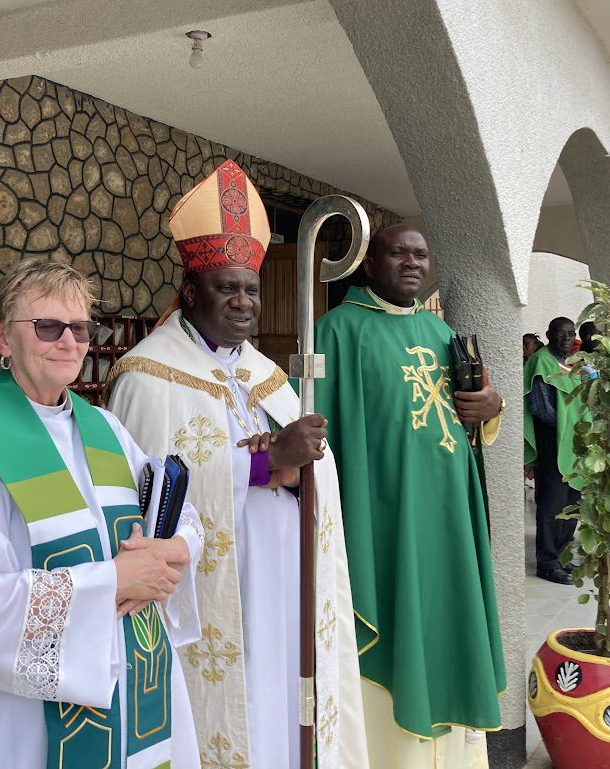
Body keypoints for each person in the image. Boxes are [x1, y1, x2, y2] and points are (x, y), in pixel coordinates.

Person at [107, 160, 367, 769]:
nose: (244, 302)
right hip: (218, 586)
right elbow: (147, 492)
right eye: (228, 288)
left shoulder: (267, 373)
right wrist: (265, 462)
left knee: (283, 692)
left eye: (251, 288)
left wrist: (302, 474)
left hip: (283, 575)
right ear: (192, 290)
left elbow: (310, 469)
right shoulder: (146, 375)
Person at [0, 259, 204, 769]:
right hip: (22, 713)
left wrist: (177, 546)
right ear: (2, 339)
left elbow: (175, 508)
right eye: (48, 327)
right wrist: (113, 580)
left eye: (79, 328)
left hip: (131, 680)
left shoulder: (104, 427)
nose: (69, 342)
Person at [314, 224, 507, 766]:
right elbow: (320, 443)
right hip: (384, 523)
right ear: (369, 263)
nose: (412, 263)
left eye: (421, 254)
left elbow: (470, 423)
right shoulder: (335, 333)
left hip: (448, 521)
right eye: (397, 252)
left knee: (448, 620)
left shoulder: (443, 334)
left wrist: (490, 408)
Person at [524, 317, 583, 585]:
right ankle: (547, 563)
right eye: (561, 333)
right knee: (552, 503)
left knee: (573, 500)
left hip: (576, 443)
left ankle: (561, 556)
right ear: (549, 334)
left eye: (571, 334)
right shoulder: (541, 362)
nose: (567, 338)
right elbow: (541, 408)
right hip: (553, 441)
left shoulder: (573, 365)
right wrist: (568, 424)